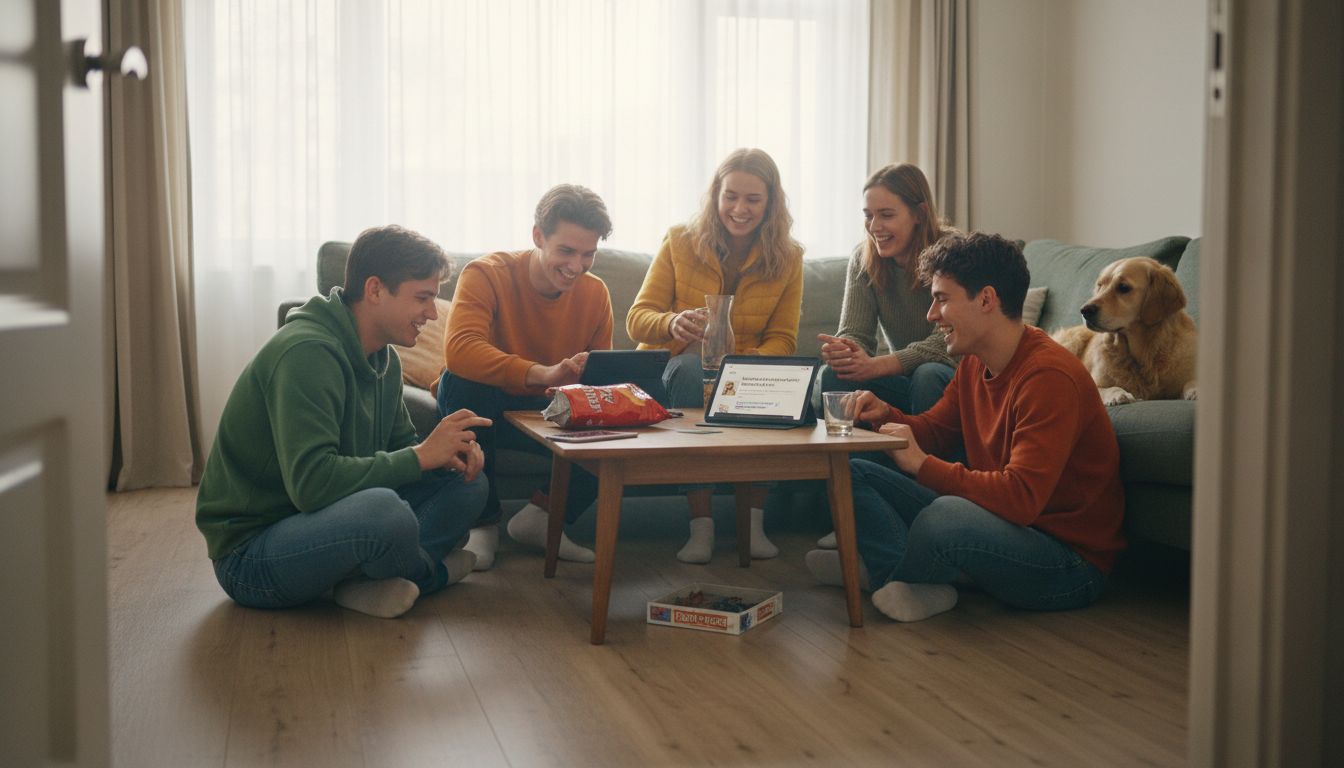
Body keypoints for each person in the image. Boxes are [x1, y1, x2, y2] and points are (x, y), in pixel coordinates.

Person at [804, 232, 1125, 622]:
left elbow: (1020, 498)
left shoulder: (1048, 377)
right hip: (1005, 526)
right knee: (851, 470)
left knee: (946, 516)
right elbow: (934, 431)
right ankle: (900, 579)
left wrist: (922, 465)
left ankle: (888, 573)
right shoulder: (975, 362)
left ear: (986, 300)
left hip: (1067, 563)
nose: (931, 315)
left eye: (941, 299)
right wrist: (884, 414)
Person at [196, 225, 490, 620]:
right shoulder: (306, 353)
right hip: (252, 554)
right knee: (384, 513)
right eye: (422, 298)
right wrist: (420, 456)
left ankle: (366, 579)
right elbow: (312, 486)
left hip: (330, 518)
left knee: (470, 484)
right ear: (375, 290)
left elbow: (402, 451)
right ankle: (429, 574)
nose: (432, 313)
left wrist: (446, 457)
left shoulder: (384, 360)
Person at [626, 148, 804, 563]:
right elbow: (637, 319)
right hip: (676, 371)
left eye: (753, 199)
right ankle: (701, 524)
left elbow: (783, 340)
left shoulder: (789, 257)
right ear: (715, 196)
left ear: (771, 203)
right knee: (692, 372)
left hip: (747, 369)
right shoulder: (679, 240)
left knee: (782, 382)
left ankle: (752, 524)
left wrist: (742, 366)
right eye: (731, 196)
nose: (740, 209)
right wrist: (672, 323)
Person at [437, 184, 615, 570]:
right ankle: (483, 524)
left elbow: (599, 376)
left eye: (588, 254)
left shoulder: (596, 293)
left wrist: (589, 386)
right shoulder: (486, 274)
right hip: (488, 401)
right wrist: (540, 372)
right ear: (538, 236)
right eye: (566, 251)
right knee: (460, 381)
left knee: (615, 423)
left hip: (548, 409)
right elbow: (461, 350)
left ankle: (543, 518)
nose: (576, 266)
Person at [812, 163, 959, 549]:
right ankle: (858, 511)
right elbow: (855, 332)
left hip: (950, 378)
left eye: (886, 215)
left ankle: (922, 507)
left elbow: (944, 344)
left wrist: (876, 365)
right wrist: (844, 351)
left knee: (928, 375)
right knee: (834, 380)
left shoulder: (954, 254)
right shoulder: (864, 259)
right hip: (903, 377)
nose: (874, 226)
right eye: (868, 215)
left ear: (919, 213)